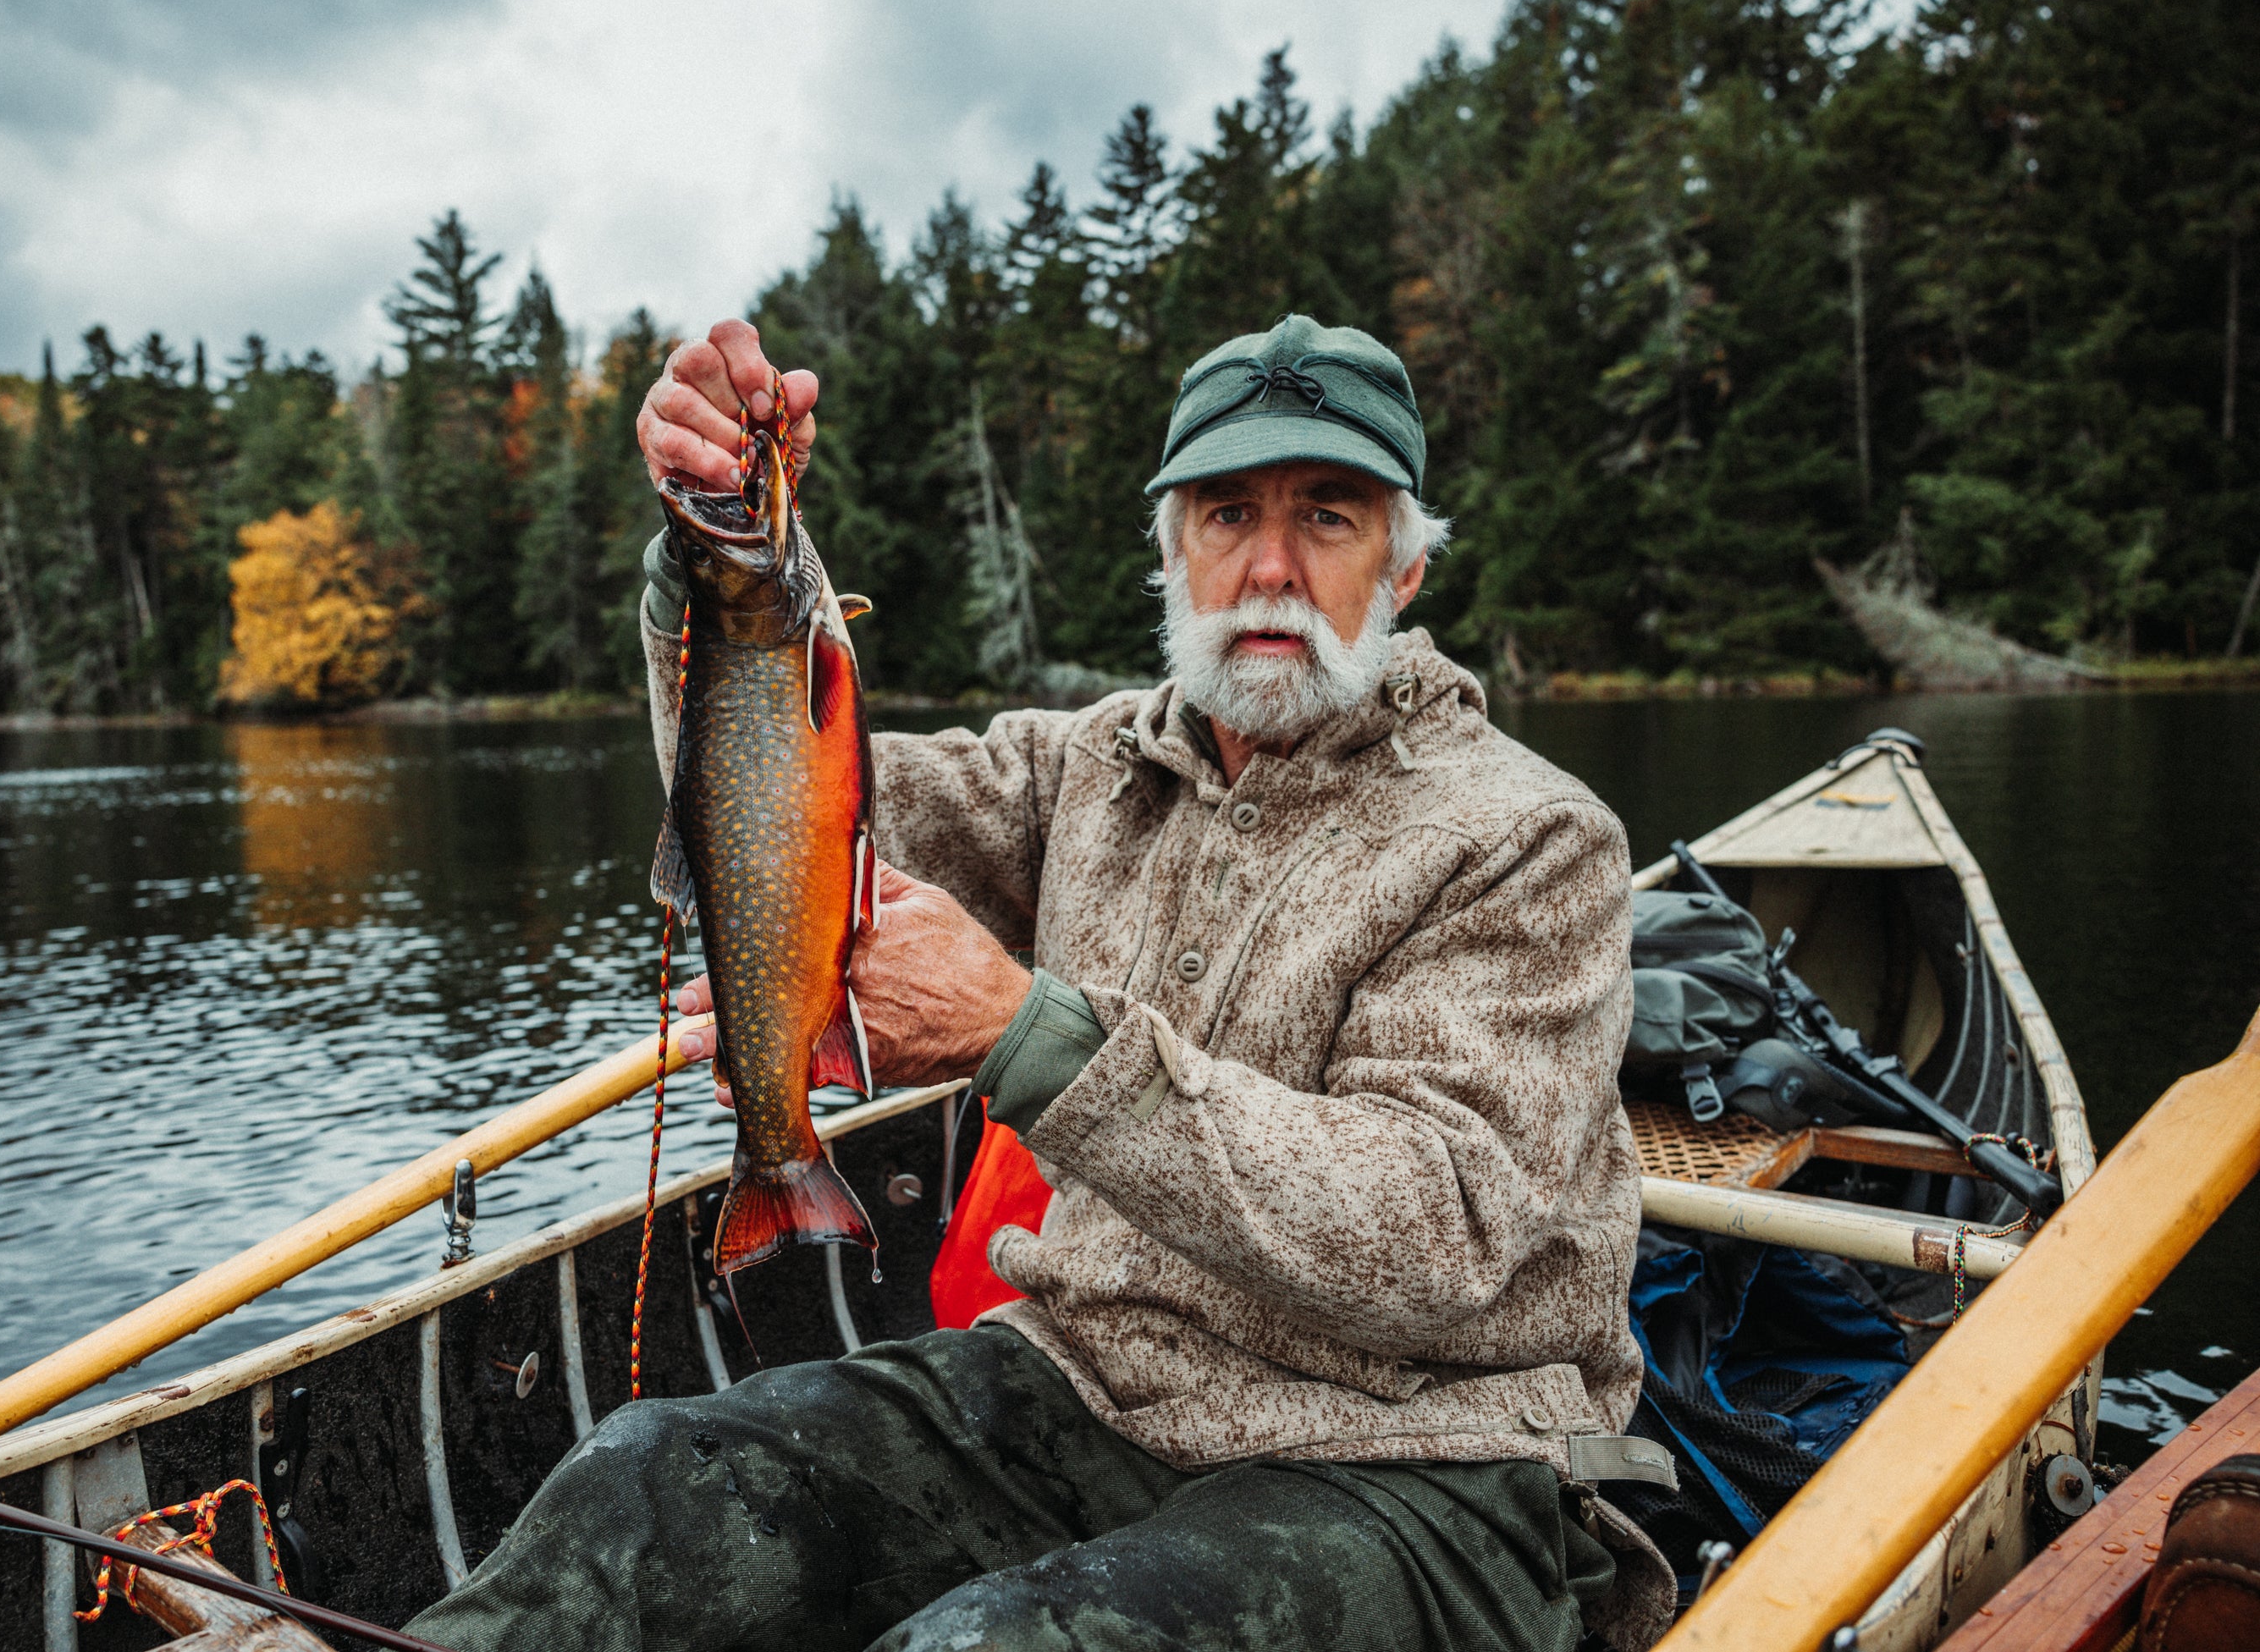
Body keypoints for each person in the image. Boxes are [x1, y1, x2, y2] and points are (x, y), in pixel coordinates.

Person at [408, 313, 1674, 1652]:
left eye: (1331, 517)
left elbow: (1447, 1236)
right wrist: (710, 555)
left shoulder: (1528, 836)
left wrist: (1025, 1034)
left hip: (1429, 1469)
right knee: (649, 1491)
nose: (1270, 566)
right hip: (1087, 1384)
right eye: (1228, 511)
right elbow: (774, 800)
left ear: (1406, 567)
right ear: (1172, 552)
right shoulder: (1094, 769)